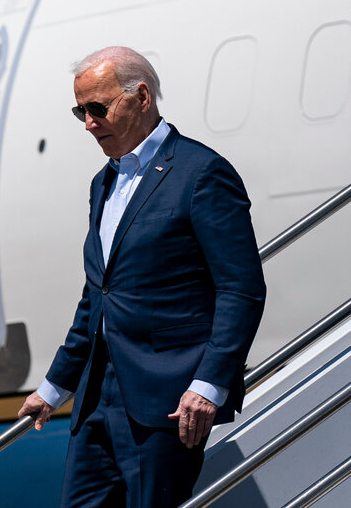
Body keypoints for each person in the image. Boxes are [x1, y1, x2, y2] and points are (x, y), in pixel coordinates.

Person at [17, 46, 266, 507]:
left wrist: (209, 385)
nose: (89, 123)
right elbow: (98, 295)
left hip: (168, 399)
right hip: (97, 396)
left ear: (142, 97)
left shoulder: (201, 173)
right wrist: (53, 387)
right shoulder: (102, 183)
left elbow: (241, 288)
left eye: (98, 108)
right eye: (80, 111)